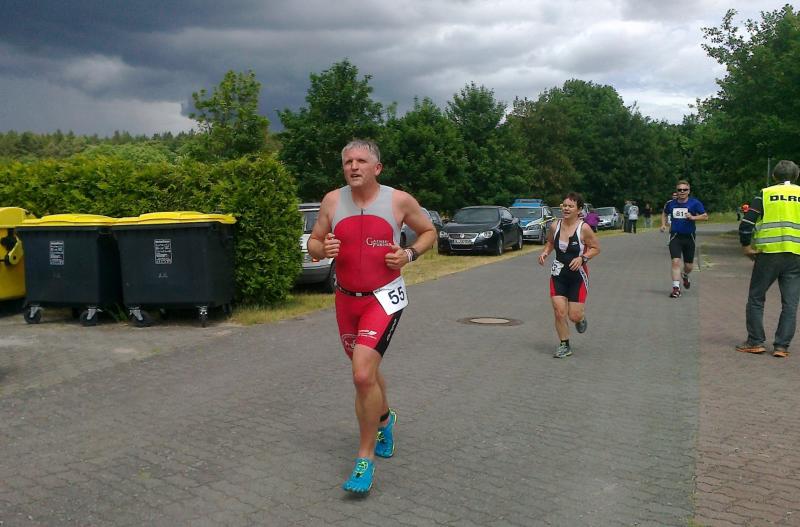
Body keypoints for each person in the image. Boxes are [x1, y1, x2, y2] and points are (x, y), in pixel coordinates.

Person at [307, 139, 436, 493]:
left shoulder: (399, 200)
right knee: (368, 373)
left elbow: (429, 232)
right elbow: (314, 243)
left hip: (383, 298)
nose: (353, 166)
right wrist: (322, 248)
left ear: (377, 168)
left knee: (362, 374)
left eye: (361, 161)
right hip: (346, 300)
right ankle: (385, 418)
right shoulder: (332, 201)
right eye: (348, 161)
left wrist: (409, 254)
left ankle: (364, 459)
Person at [736, 160, 800, 358]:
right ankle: (781, 346)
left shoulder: (764, 194)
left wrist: (746, 247)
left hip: (768, 254)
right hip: (796, 255)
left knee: (756, 297)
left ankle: (755, 341)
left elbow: (746, 224)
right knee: (790, 303)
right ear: (796, 176)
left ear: (774, 176)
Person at [538, 193, 601, 358]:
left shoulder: (584, 228)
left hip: (577, 277)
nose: (566, 209)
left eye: (570, 206)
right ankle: (564, 345)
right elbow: (550, 242)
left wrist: (582, 258)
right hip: (558, 274)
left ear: (579, 210)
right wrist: (545, 253)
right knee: (559, 311)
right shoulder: (555, 225)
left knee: (573, 315)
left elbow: (596, 248)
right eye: (564, 205)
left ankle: (580, 319)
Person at [660, 181, 708, 298]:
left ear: (688, 191)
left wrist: (693, 217)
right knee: (675, 261)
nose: (682, 192)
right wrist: (663, 224)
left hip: (689, 237)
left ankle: (685, 275)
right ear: (676, 191)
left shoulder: (695, 203)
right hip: (675, 236)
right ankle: (676, 288)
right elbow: (664, 213)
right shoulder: (671, 204)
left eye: (684, 190)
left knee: (689, 266)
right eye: (679, 190)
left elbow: (705, 216)